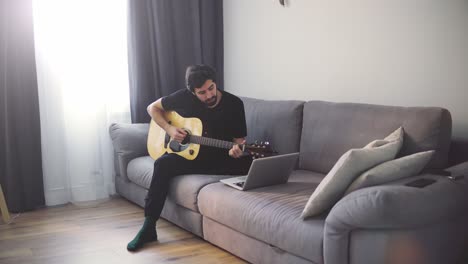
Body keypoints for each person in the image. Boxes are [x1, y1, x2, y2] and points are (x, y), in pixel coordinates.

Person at [127, 64, 252, 251]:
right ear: (192, 92)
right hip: (191, 156)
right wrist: (169, 129)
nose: (209, 95)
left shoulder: (234, 104)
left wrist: (237, 150)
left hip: (219, 156)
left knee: (249, 163)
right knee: (162, 164)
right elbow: (152, 108)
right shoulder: (183, 98)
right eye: (202, 92)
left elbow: (239, 142)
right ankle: (149, 227)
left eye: (211, 88)